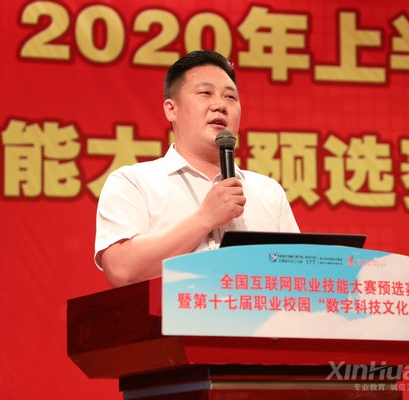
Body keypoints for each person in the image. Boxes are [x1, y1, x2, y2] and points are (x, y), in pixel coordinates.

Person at [94, 50, 300, 287]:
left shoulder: (268, 192)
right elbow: (121, 270)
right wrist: (205, 218)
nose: (220, 105)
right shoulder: (134, 182)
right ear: (171, 109)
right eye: (205, 93)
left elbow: (297, 276)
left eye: (230, 97)